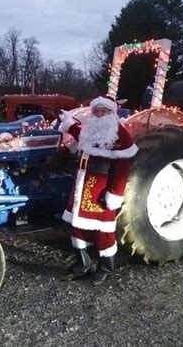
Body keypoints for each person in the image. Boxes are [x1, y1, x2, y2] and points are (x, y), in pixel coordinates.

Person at [58, 95, 138, 285]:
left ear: (112, 113)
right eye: (97, 111)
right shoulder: (90, 129)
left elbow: (122, 169)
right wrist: (69, 123)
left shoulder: (120, 135)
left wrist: (115, 194)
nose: (100, 114)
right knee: (78, 228)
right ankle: (82, 265)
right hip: (82, 186)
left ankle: (105, 267)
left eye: (104, 111)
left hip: (101, 190)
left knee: (103, 231)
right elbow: (80, 133)